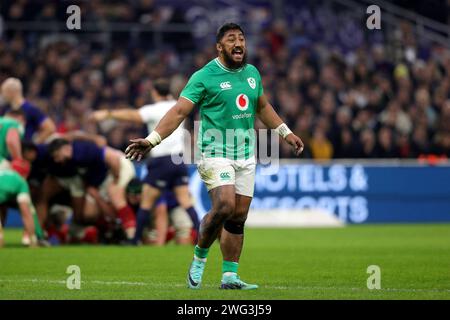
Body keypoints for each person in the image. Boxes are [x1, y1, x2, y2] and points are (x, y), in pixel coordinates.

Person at [125, 23, 304, 290]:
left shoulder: (252, 73)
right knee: (224, 206)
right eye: (231, 39)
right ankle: (198, 259)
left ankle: (229, 277)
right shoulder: (204, 76)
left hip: (246, 154)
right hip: (214, 152)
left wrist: (285, 133)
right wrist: (152, 140)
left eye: (241, 38)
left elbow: (263, 107)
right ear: (219, 47)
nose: (238, 43)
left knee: (238, 217)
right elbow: (178, 112)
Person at [90, 78, 200, 244]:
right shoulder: (178, 106)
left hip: (161, 160)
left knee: (146, 202)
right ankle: (203, 235)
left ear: (154, 93)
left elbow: (133, 115)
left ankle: (134, 240)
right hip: (178, 160)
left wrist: (108, 113)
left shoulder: (154, 109)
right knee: (185, 201)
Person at [47, 139, 137, 239]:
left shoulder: (82, 150)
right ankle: (112, 231)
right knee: (89, 213)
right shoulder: (69, 161)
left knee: (116, 196)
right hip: (102, 180)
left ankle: (131, 236)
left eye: (57, 155)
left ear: (65, 149)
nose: (56, 160)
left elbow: (113, 157)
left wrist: (115, 178)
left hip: (118, 167)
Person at [1, 77, 56, 143]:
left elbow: (50, 127)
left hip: (23, 149)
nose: (2, 95)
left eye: (3, 92)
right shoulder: (6, 109)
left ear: (12, 92)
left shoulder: (30, 109)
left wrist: (33, 143)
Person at [0, 167, 43, 248]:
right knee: (26, 212)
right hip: (18, 184)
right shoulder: (20, 179)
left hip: (2, 186)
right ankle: (33, 240)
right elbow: (29, 213)